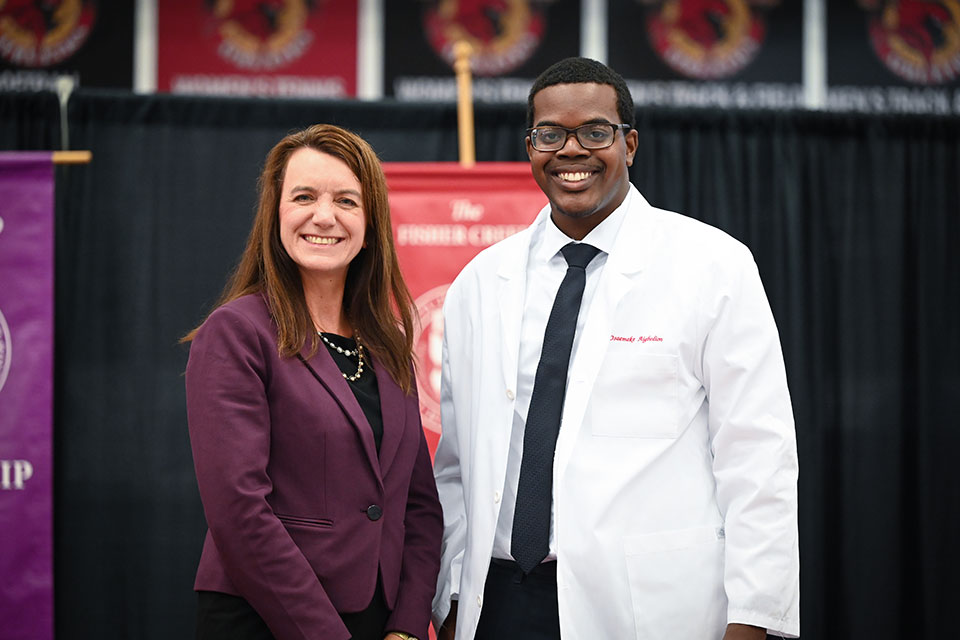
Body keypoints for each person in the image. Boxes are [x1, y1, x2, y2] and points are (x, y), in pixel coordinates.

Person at [432, 58, 799, 639]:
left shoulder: (713, 265)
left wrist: (755, 617)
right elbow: (455, 467)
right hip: (497, 601)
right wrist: (449, 601)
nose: (570, 150)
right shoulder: (480, 282)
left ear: (630, 143)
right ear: (530, 147)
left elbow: (759, 459)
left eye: (595, 132)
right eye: (550, 134)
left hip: (650, 609)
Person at [184, 124, 443, 640]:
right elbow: (239, 513)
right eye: (304, 196)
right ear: (276, 212)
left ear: (370, 221)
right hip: (267, 619)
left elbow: (418, 508)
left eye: (347, 200)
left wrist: (409, 627)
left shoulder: (389, 343)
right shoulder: (237, 333)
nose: (324, 216)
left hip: (379, 621)